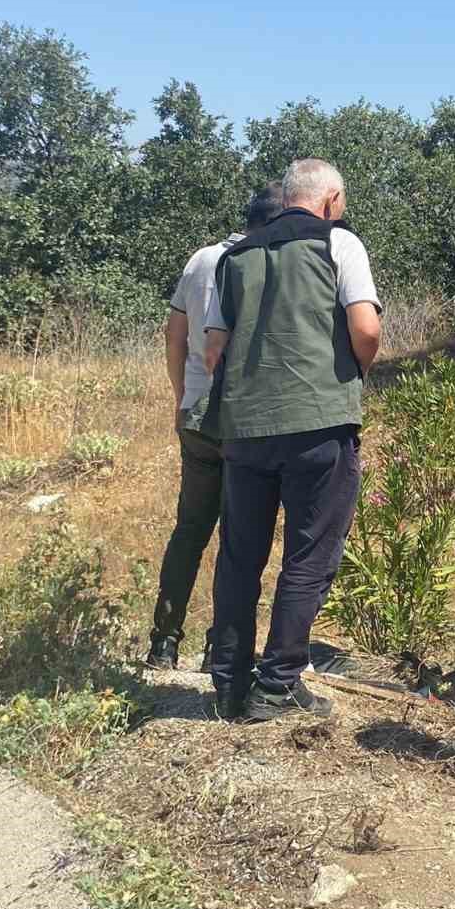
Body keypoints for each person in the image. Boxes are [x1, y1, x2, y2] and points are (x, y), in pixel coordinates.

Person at [201, 158, 381, 722]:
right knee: (309, 554)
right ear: (329, 200)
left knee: (239, 557)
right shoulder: (340, 245)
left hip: (245, 429)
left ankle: (228, 684)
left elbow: (212, 349)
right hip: (319, 424)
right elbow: (367, 328)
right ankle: (277, 685)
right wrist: (351, 374)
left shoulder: (236, 256)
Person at [146, 181, 284, 671]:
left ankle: (163, 641)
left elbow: (175, 336)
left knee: (190, 529)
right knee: (238, 537)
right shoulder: (265, 262)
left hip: (197, 413)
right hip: (245, 419)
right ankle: (218, 648)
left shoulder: (202, 258)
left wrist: (182, 397)